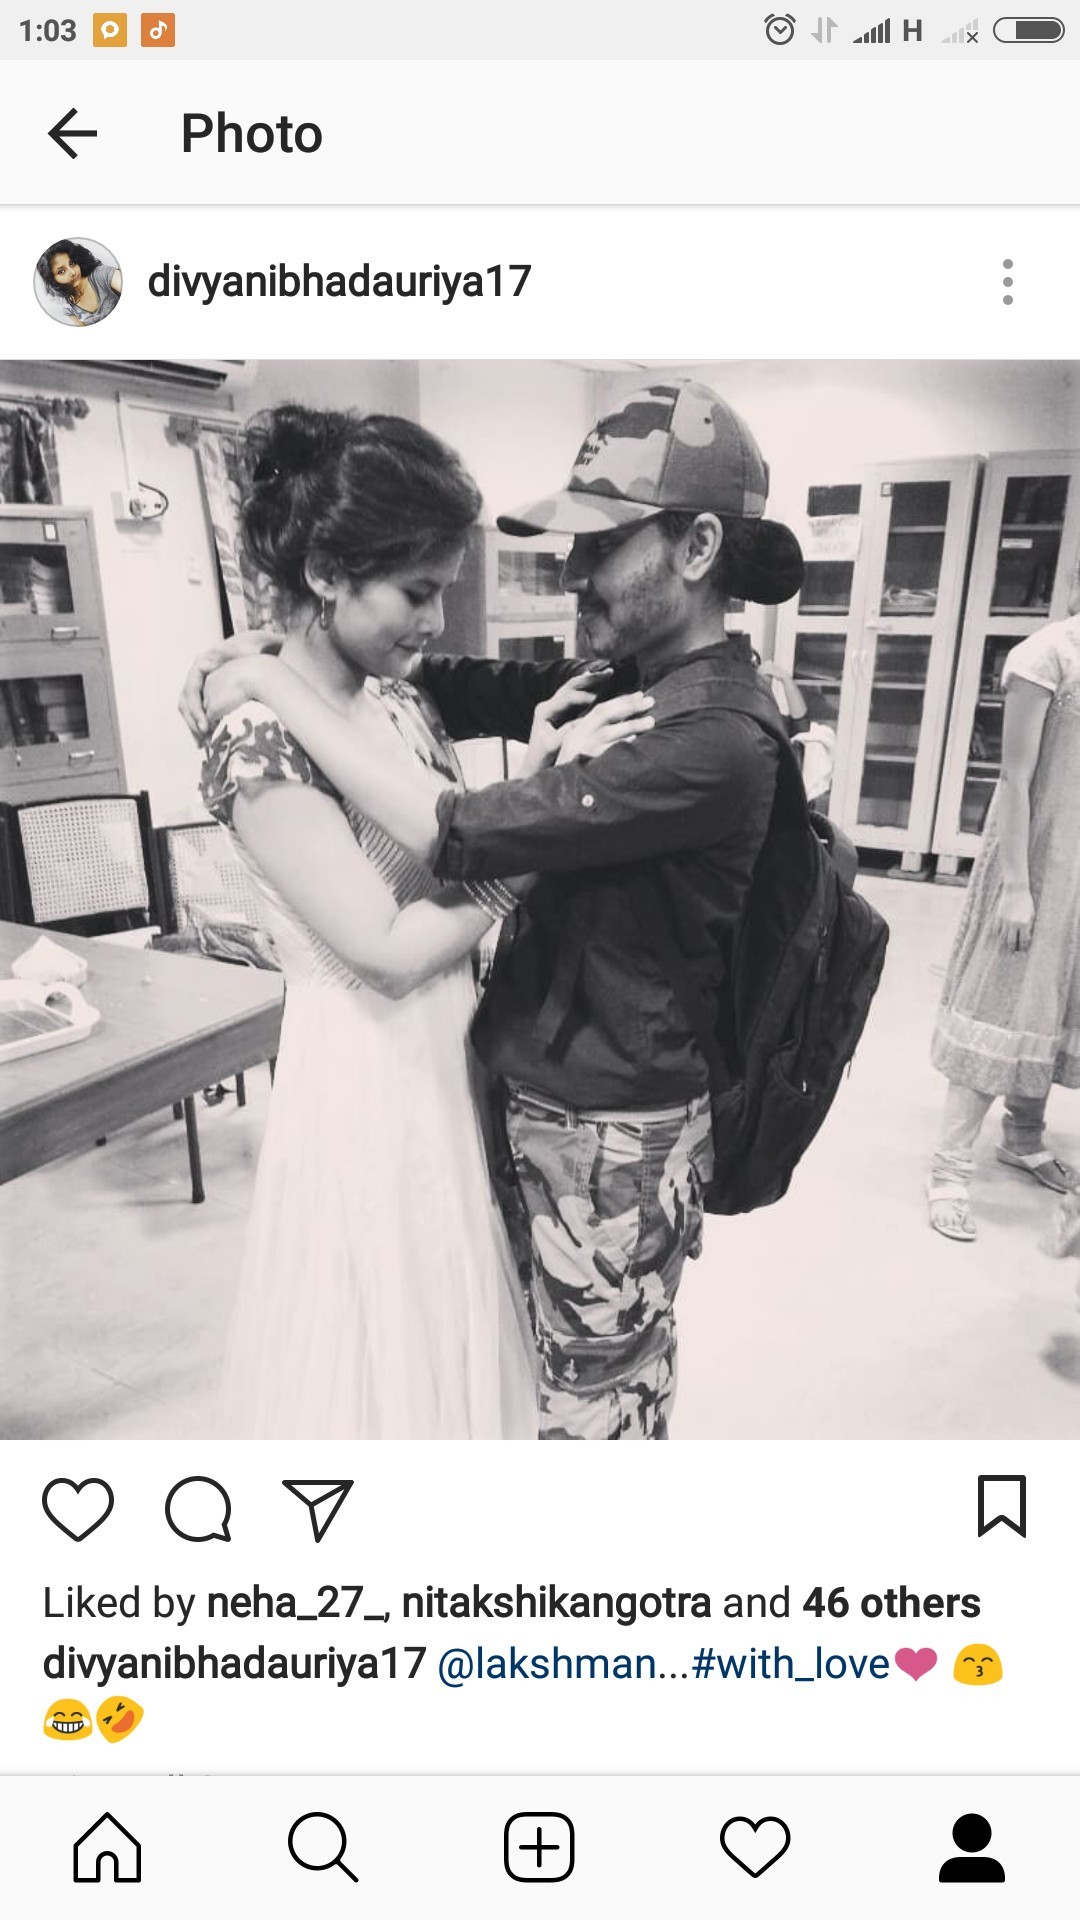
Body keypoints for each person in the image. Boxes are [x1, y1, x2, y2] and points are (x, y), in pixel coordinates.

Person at [187, 380, 804, 1440]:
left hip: (599, 1117)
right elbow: (466, 685)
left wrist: (271, 678)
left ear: (698, 548)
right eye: (419, 591)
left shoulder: (705, 737)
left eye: (600, 545)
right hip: (444, 1075)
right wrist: (251, 656)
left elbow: (460, 833)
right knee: (436, 1344)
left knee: (587, 1388)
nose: (571, 574)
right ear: (329, 573)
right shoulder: (611, 685)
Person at [928, 608, 1080, 1241]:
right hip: (1037, 859)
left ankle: (1023, 1137)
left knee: (1053, 1003)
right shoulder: (1048, 655)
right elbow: (1015, 779)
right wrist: (1017, 886)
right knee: (1002, 997)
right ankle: (949, 1168)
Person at [36, 240, 122, 326]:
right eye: (61, 271)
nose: (72, 272)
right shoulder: (66, 306)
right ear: (52, 279)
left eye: (72, 263)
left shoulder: (102, 274)